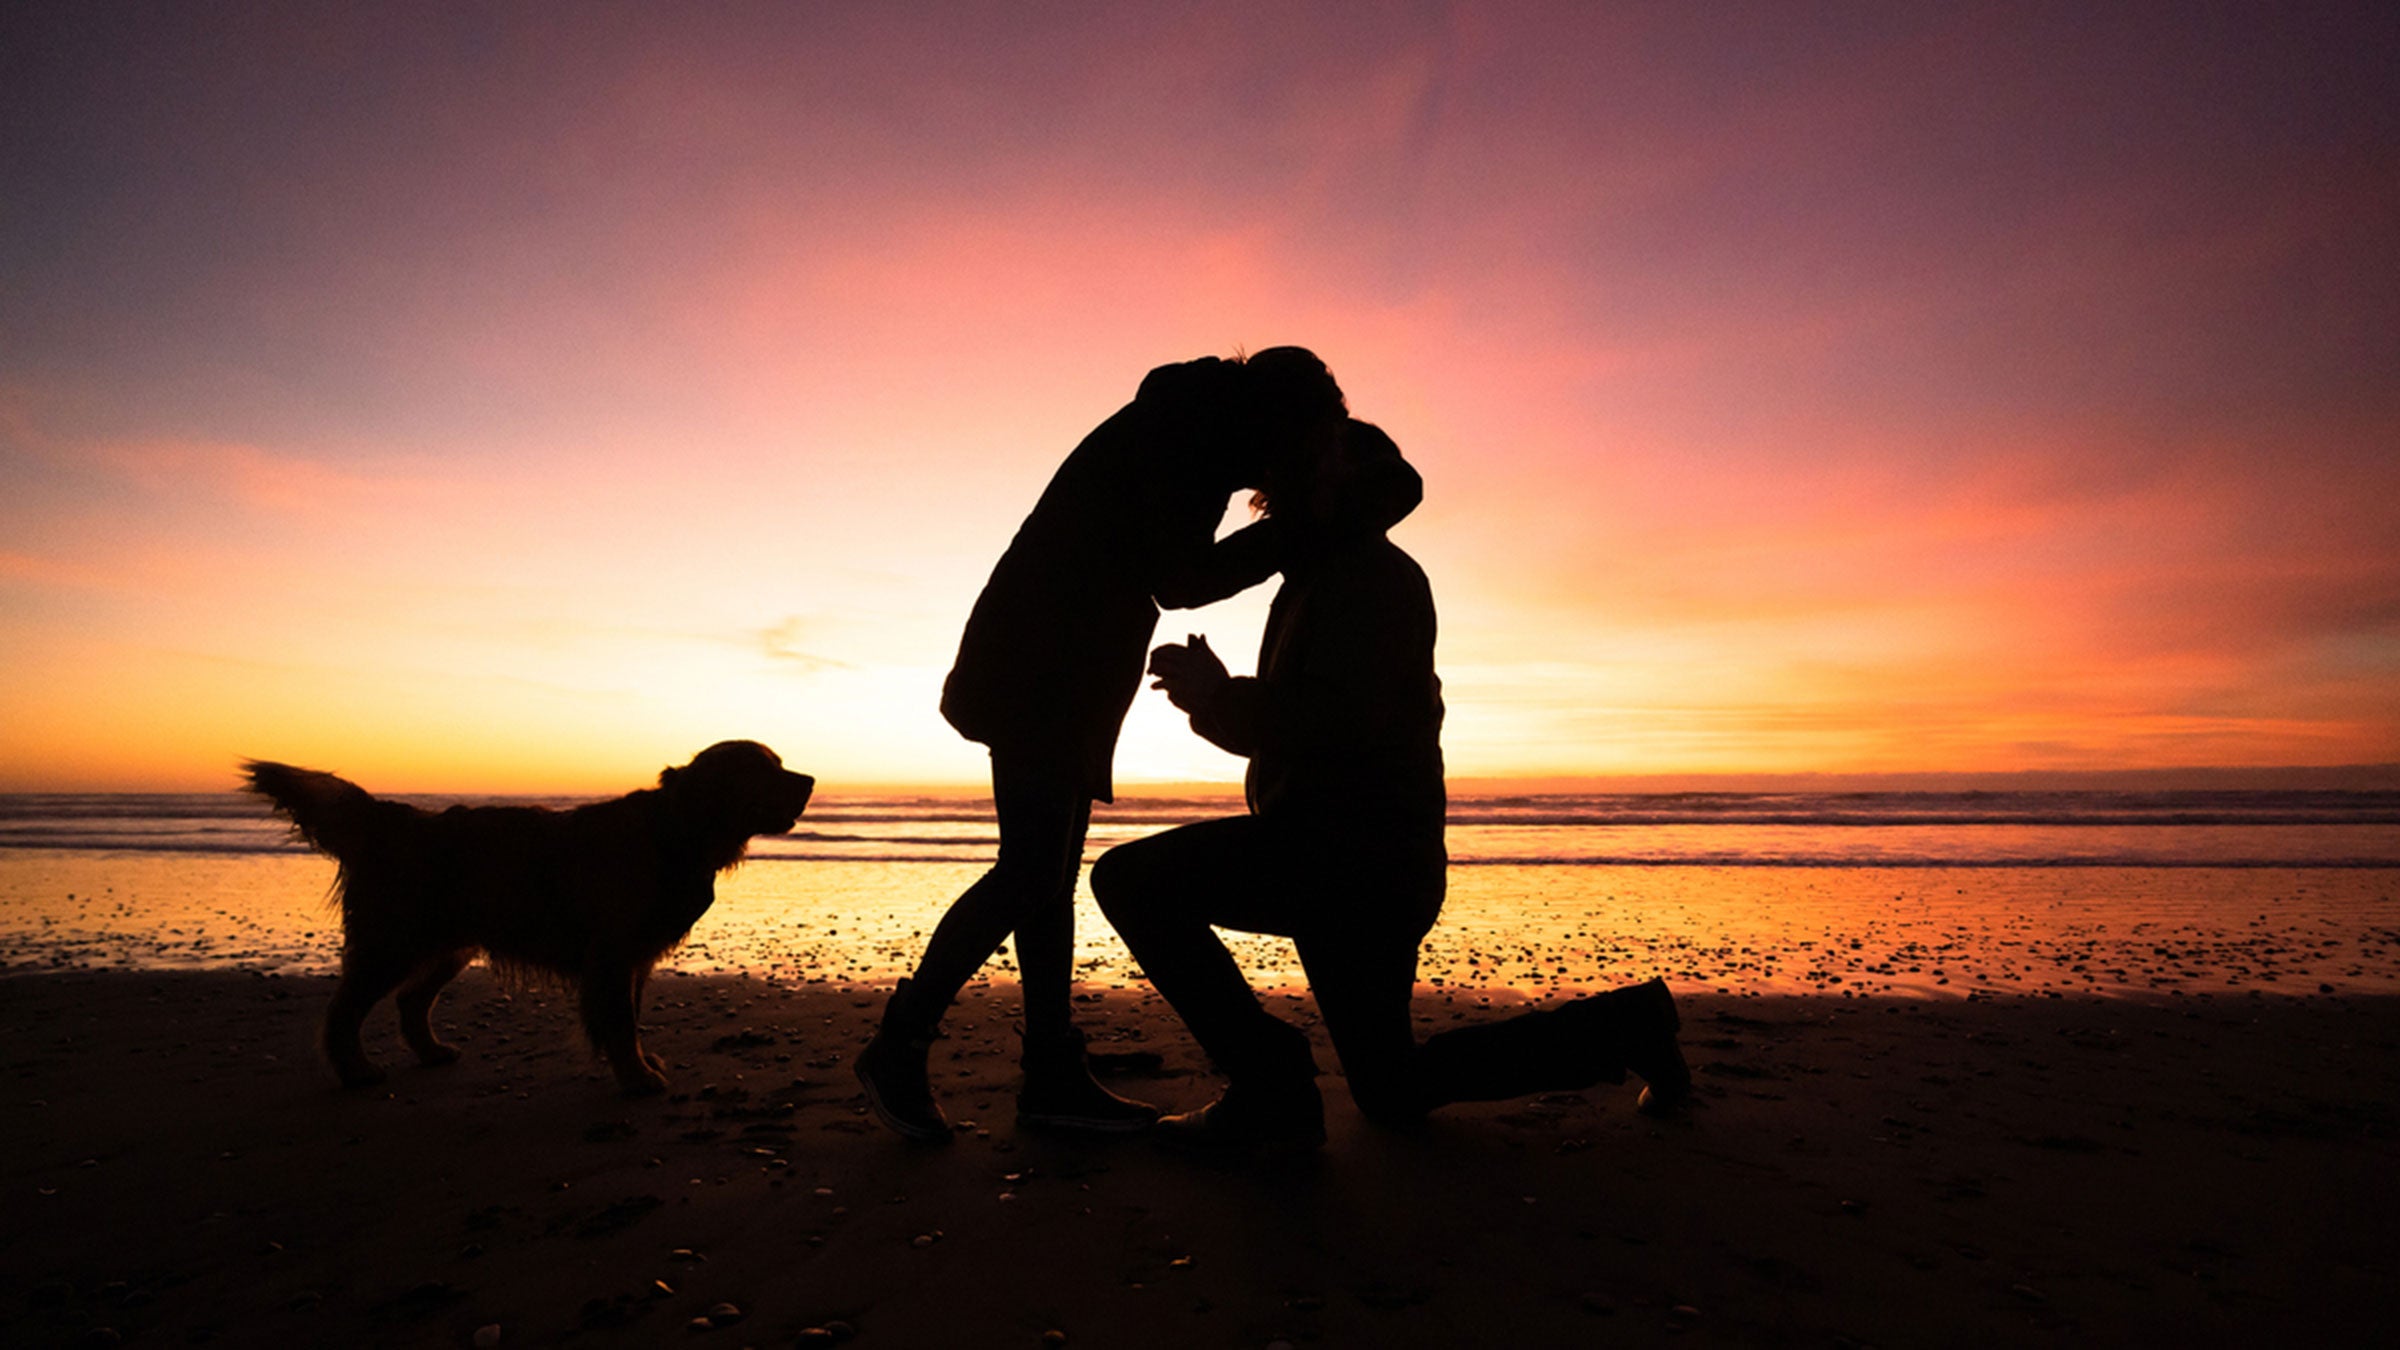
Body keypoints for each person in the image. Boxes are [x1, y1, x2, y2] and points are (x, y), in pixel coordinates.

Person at [1090, 420, 1691, 1148]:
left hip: (1350, 865)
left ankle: (1268, 1082)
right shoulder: (1327, 574)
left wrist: (1218, 698)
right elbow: (1304, 721)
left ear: (1336, 492)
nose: (1277, 499)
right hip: (1355, 861)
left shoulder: (1367, 579)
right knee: (1389, 1089)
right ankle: (1630, 1025)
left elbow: (1336, 726)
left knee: (1130, 880)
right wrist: (1215, 701)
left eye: (1302, 480)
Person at [854, 348, 1376, 1141]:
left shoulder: (1188, 427)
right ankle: (900, 1045)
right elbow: (1180, 578)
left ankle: (1050, 1076)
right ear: (1276, 418)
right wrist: (1297, 533)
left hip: (1069, 661)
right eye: (1302, 445)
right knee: (1031, 871)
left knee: (1046, 878)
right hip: (1040, 659)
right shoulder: (1185, 433)